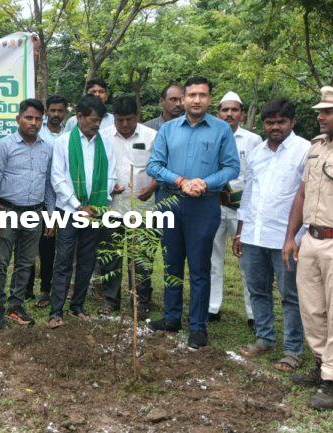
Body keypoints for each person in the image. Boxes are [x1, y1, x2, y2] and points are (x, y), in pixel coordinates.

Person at [146, 76, 239, 349]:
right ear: (183, 99)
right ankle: (172, 317)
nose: (196, 100)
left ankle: (198, 326)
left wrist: (205, 182)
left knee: (200, 266)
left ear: (210, 99)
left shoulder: (222, 130)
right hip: (171, 201)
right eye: (192, 95)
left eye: (202, 95)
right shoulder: (168, 129)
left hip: (204, 204)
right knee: (171, 262)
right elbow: (154, 165)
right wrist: (180, 181)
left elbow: (232, 167)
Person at [282, 86, 333, 410]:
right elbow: (302, 194)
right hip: (311, 240)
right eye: (320, 111)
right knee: (311, 308)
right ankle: (322, 363)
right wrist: (290, 237)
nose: (320, 116)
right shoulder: (317, 147)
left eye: (328, 111)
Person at [233, 98, 309, 372]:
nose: (275, 127)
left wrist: (299, 237)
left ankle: (292, 349)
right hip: (254, 233)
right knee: (257, 290)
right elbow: (249, 193)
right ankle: (264, 338)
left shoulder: (305, 151)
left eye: (281, 122)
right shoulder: (257, 153)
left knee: (290, 294)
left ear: (292, 122)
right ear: (263, 124)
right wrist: (241, 231)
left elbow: (307, 196)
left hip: (287, 238)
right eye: (270, 122)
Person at [49, 95, 118, 329]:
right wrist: (79, 206)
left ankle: (77, 306)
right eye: (93, 119)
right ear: (79, 117)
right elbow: (57, 178)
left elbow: (111, 176)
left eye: (99, 120)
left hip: (95, 212)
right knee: (64, 260)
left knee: (88, 260)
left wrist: (98, 205)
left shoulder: (106, 143)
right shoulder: (63, 142)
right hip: (69, 210)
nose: (97, 125)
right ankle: (56, 311)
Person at [0, 99, 55, 328]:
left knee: (26, 263)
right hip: (7, 210)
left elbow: (48, 184)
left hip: (34, 213)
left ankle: (15, 306)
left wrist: (50, 215)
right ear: (18, 119)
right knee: (0, 262)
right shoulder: (4, 146)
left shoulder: (47, 147)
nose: (33, 123)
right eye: (29, 117)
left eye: (38, 119)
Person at [99, 95, 158, 320]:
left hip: (144, 207)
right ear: (113, 118)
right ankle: (110, 300)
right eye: (120, 120)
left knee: (141, 257)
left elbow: (161, 166)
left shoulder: (152, 137)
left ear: (138, 116)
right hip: (112, 207)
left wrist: (152, 187)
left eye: (129, 119)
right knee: (111, 256)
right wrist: (107, 186)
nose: (124, 124)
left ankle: (141, 301)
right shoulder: (103, 137)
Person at [208, 91, 262, 326]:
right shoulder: (208, 135)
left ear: (241, 113)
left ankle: (253, 313)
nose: (229, 114)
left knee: (246, 262)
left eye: (234, 110)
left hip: (242, 210)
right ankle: (212, 307)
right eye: (224, 110)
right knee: (212, 259)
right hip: (213, 206)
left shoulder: (253, 140)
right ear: (217, 112)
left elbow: (256, 177)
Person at [28, 95, 67, 307]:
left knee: (48, 247)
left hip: (57, 200)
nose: (55, 115)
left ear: (65, 113)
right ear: (46, 113)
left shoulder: (68, 136)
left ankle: (45, 290)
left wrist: (51, 212)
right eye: (52, 111)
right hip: (33, 198)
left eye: (60, 111)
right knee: (26, 247)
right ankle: (26, 289)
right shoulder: (37, 133)